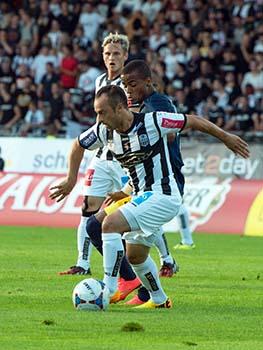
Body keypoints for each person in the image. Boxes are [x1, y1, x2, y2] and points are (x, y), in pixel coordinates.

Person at [50, 85, 249, 309]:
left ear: (119, 108)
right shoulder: (104, 130)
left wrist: (226, 137)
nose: (98, 118)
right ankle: (160, 300)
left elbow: (192, 120)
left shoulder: (154, 121)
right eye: (96, 112)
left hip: (164, 195)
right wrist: (70, 179)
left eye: (102, 112)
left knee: (109, 224)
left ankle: (109, 288)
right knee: (134, 255)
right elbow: (77, 144)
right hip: (141, 196)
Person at [59, 33, 142, 301]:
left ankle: (166, 259)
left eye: (116, 54)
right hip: (103, 152)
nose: (111, 58)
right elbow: (90, 131)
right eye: (107, 54)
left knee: (134, 217)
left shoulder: (129, 83)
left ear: (125, 56)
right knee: (89, 210)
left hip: (124, 157)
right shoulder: (99, 81)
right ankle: (83, 263)